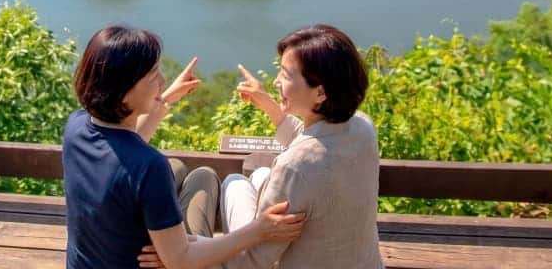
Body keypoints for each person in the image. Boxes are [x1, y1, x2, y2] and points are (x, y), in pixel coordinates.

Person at [63, 25, 306, 269]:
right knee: (204, 177)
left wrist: (164, 98)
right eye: (153, 76)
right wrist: (258, 230)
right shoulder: (150, 166)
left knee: (179, 168)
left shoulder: (77, 126)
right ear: (123, 92)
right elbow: (181, 261)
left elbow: (125, 151)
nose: (162, 80)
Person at [217, 24, 383, 269]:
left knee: (235, 183)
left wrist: (194, 248)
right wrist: (268, 105)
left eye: (285, 75)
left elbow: (253, 260)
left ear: (320, 93)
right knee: (262, 174)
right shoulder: (362, 127)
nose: (276, 81)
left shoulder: (294, 166)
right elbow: (318, 143)